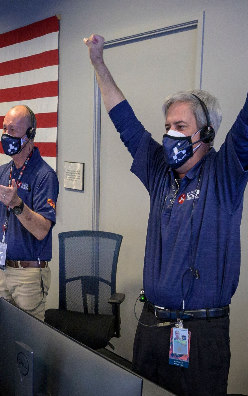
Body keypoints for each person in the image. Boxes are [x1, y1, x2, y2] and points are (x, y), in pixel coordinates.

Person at [84, 33, 248, 395]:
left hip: (202, 335)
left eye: (180, 127)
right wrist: (98, 63)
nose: (170, 134)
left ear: (206, 133)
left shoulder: (226, 171)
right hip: (153, 327)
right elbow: (123, 119)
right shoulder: (159, 170)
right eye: (168, 126)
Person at [0, 105, 58, 320]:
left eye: (13, 130)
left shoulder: (45, 176)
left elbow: (42, 230)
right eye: (4, 129)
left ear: (30, 134)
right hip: (2, 269)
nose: (6, 135)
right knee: (2, 332)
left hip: (29, 275)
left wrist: (17, 204)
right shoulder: (3, 172)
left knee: (28, 341)